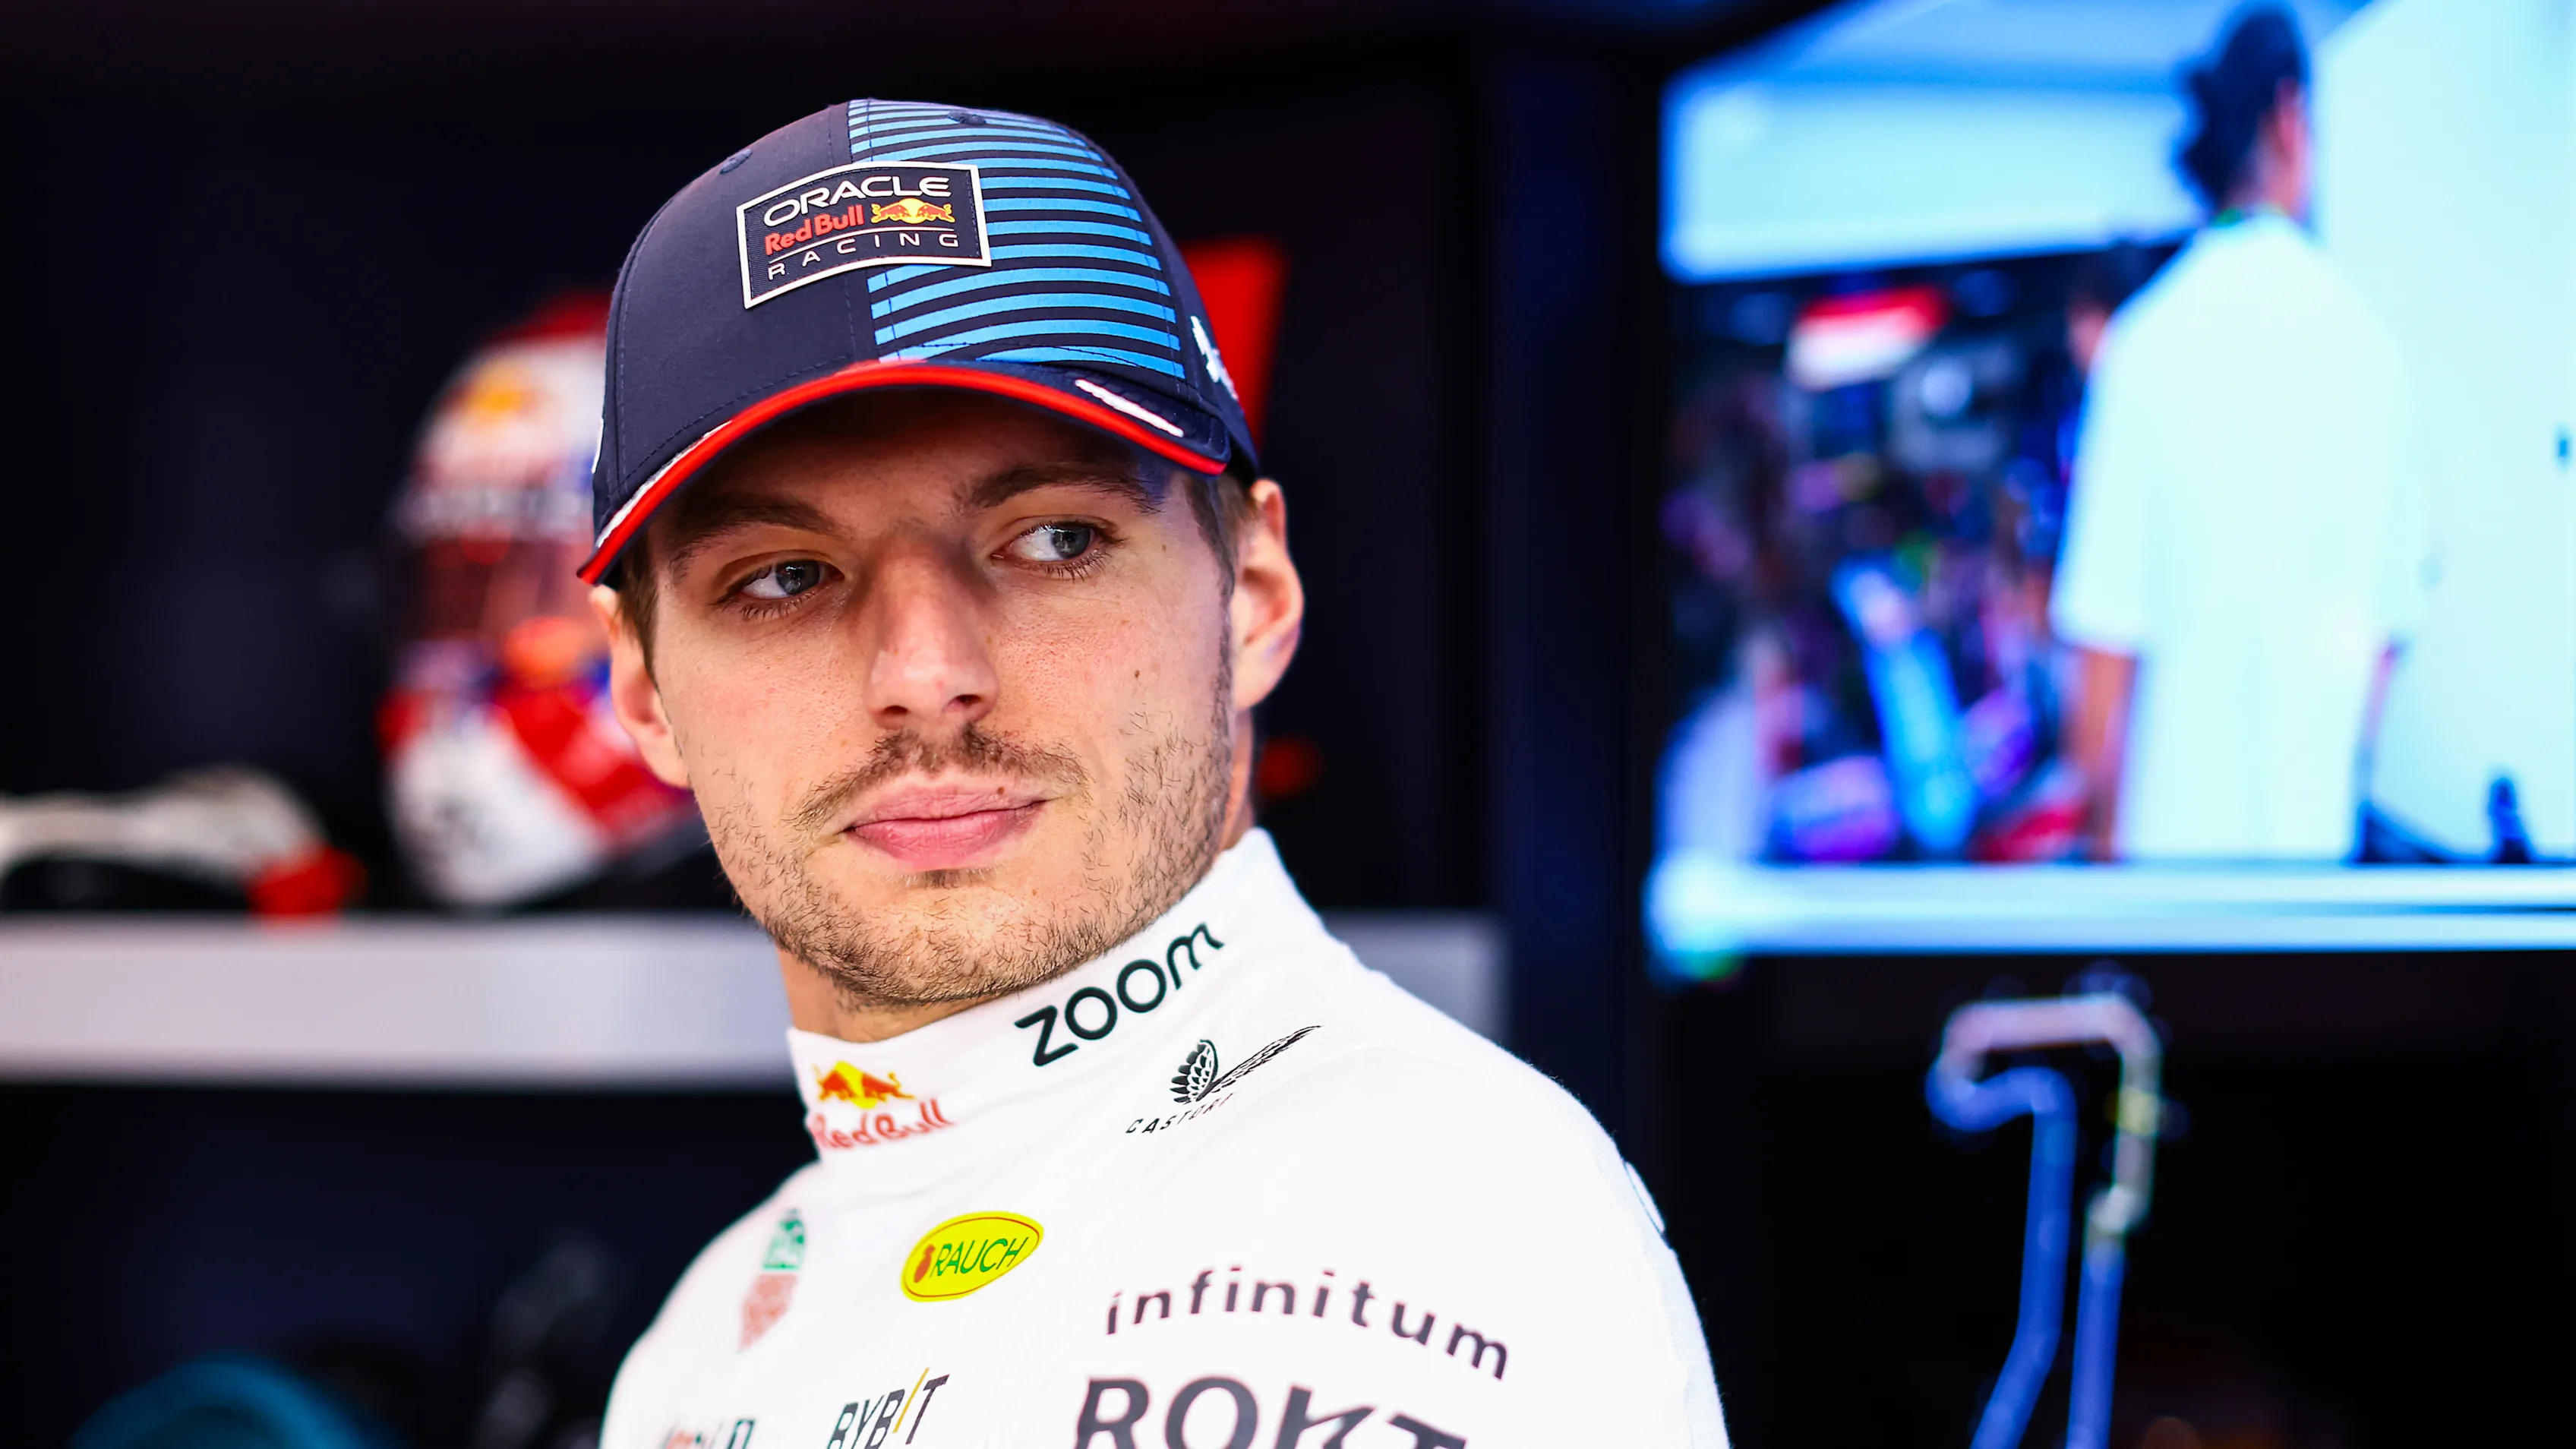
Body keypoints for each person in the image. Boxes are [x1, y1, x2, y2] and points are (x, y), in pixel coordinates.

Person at [578, 99, 1727, 1448]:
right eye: (782, 577)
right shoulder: (711, 1333)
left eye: (1055, 539)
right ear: (644, 688)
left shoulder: (1416, 1202)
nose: (926, 671)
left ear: (1252, 595)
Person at [2054, 5, 2430, 860]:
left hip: (2167, 880)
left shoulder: (2145, 347)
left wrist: (2098, 844)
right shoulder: (2370, 345)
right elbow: (2386, 638)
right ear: (2291, 118)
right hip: (2315, 862)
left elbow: (2102, 666)